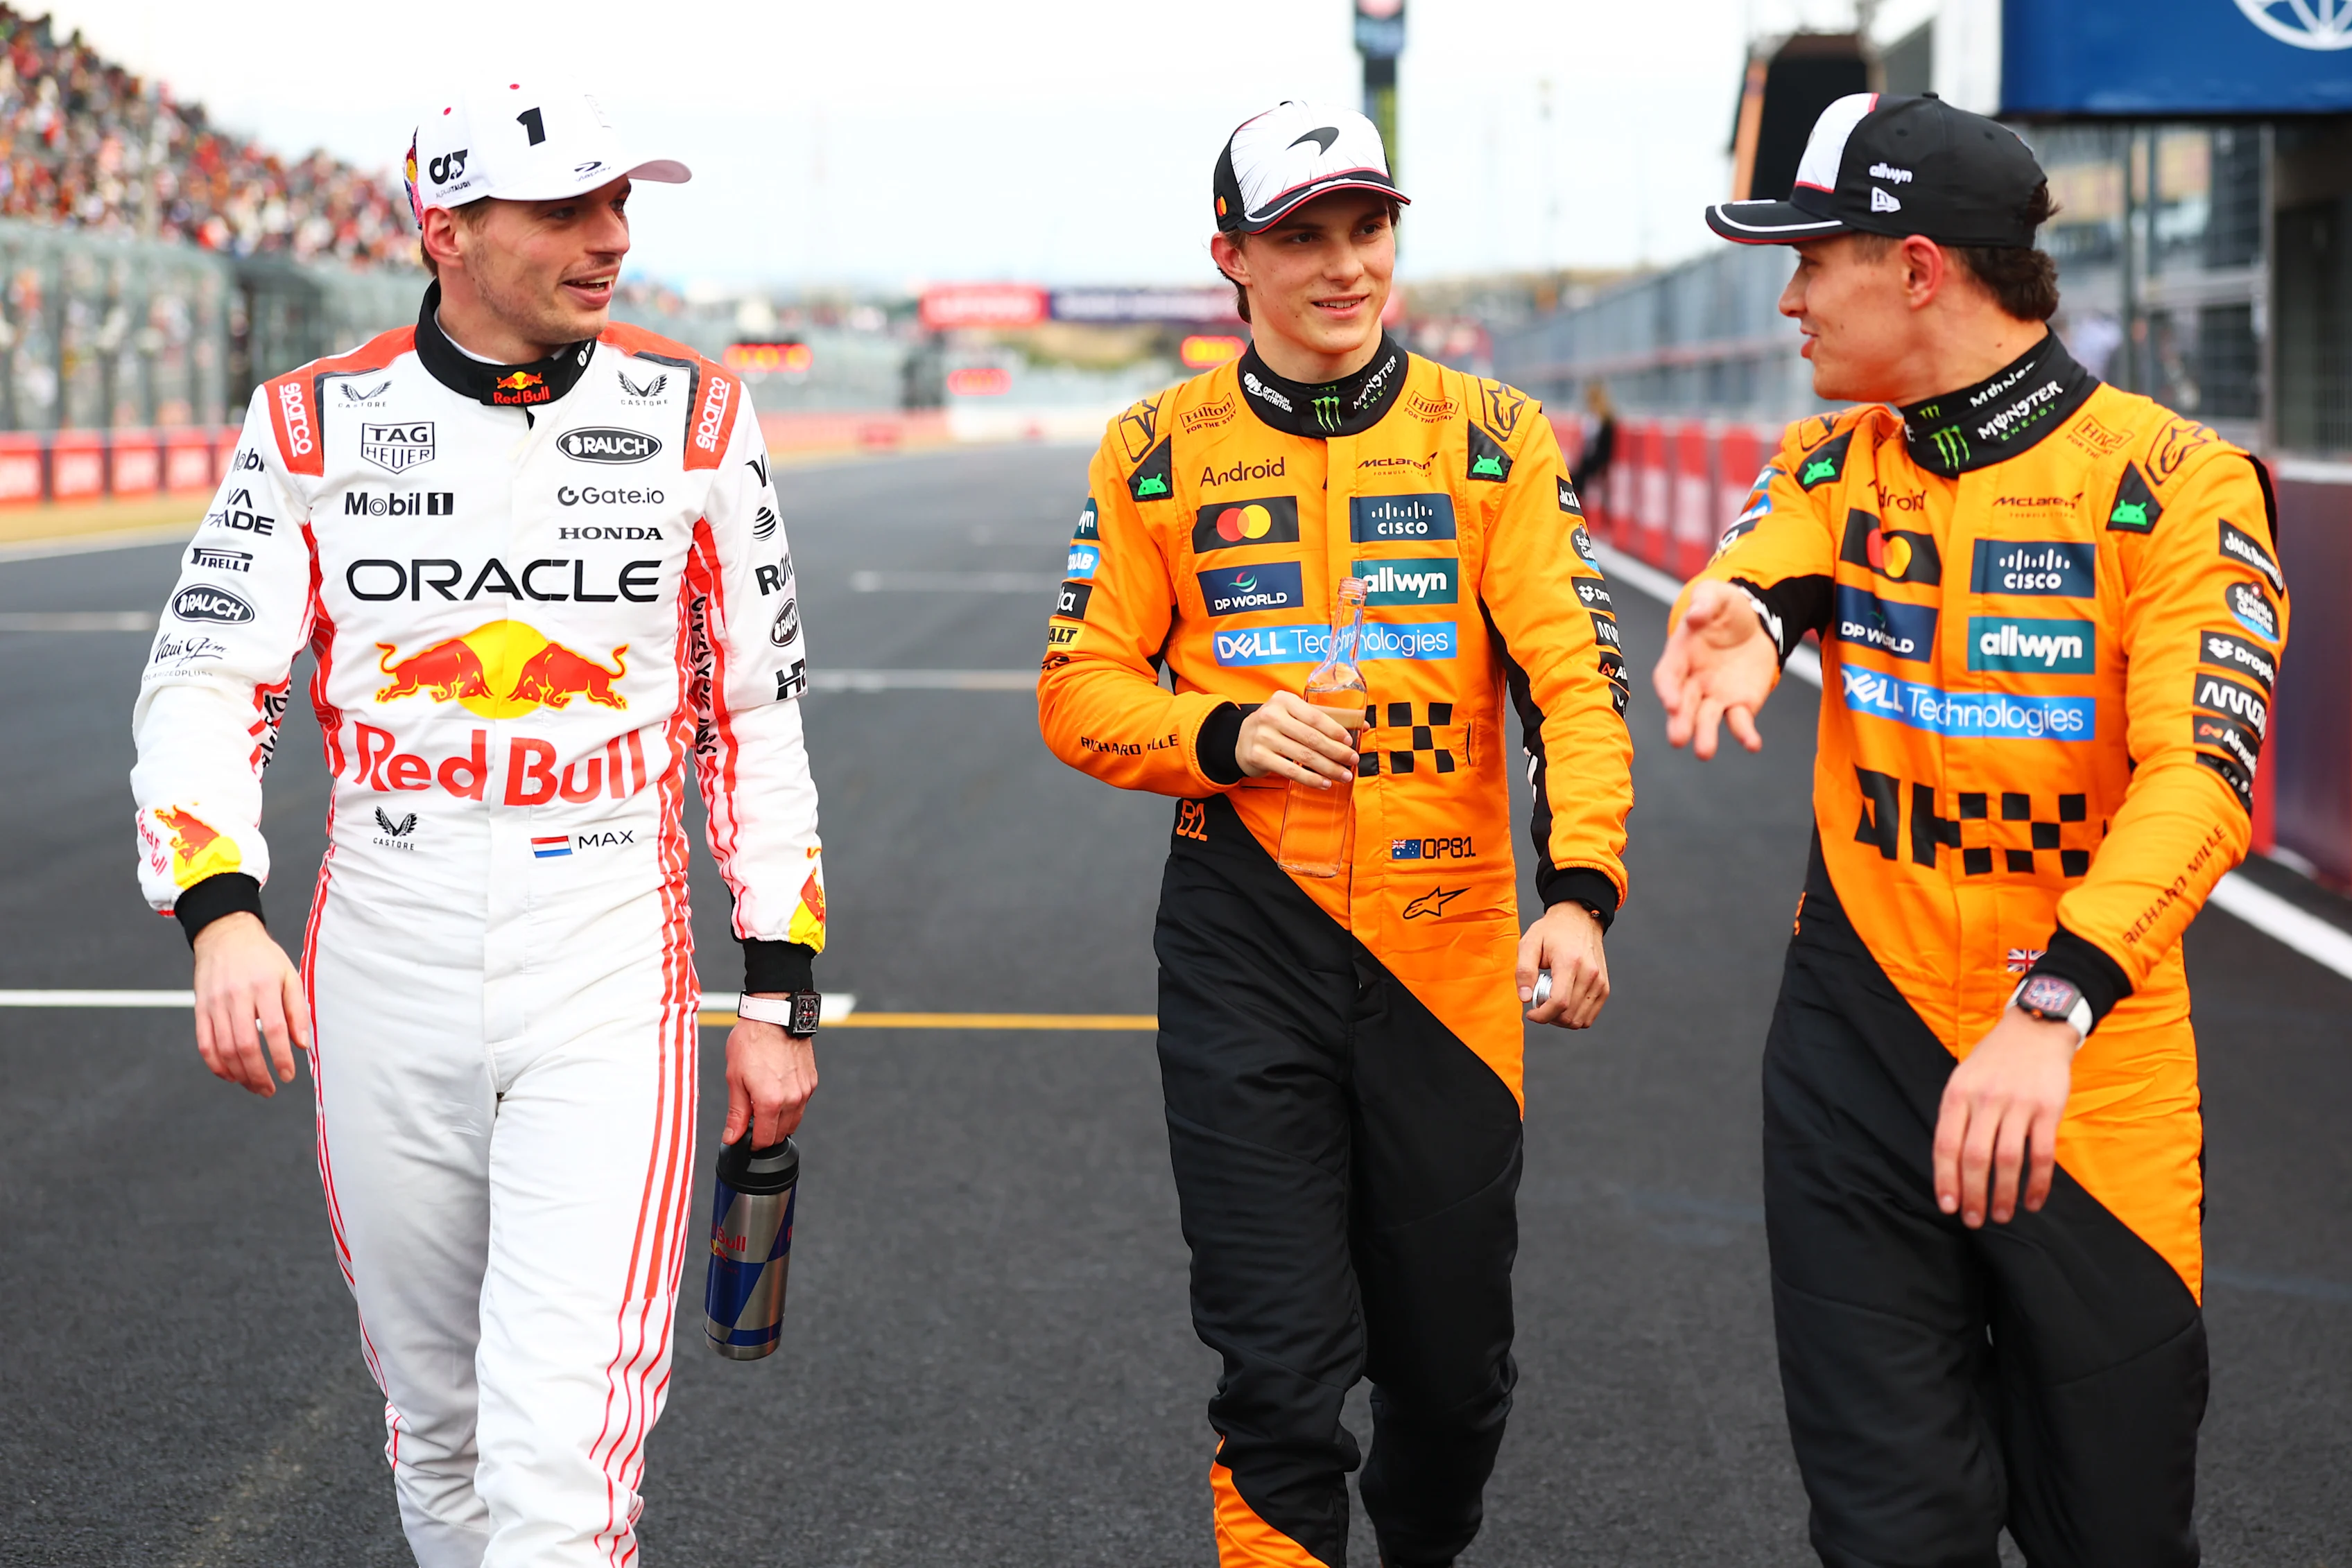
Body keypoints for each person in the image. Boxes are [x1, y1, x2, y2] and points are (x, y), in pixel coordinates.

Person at [130, 79, 828, 1568]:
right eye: (567, 210)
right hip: (385, 942)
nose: (610, 239)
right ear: (445, 229)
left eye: (619, 205)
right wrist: (219, 905)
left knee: (557, 1451)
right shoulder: (312, 420)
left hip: (603, 958)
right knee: (435, 1424)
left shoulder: (698, 418)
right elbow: (203, 673)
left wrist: (780, 994)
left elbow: (754, 722)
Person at [1657, 93, 2288, 1567]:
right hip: (1854, 1045)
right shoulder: (1833, 463)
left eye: (1816, 259)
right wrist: (1743, 616)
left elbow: (2200, 779)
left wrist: (2052, 1003)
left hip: (2085, 1066)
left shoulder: (2176, 485)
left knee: (2116, 1535)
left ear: (1921, 269)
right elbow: (1775, 556)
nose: (1789, 295)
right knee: (1889, 1532)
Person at [1037, 101, 1633, 1568]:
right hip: (1244, 940)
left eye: (1366, 228)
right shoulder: (1154, 448)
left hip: (1445, 962)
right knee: (1277, 1374)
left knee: (1448, 1382)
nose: (1344, 264)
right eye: (1301, 236)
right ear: (1229, 258)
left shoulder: (1492, 441)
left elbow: (1574, 680)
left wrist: (1579, 892)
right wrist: (1218, 733)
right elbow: (1076, 689)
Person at [1579, 379, 1616, 532]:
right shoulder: (1593, 416)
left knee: (1578, 478)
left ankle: (1582, 517)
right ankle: (1582, 516)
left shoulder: (1605, 418)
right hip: (1591, 458)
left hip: (1599, 459)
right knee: (1576, 476)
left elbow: (1604, 445)